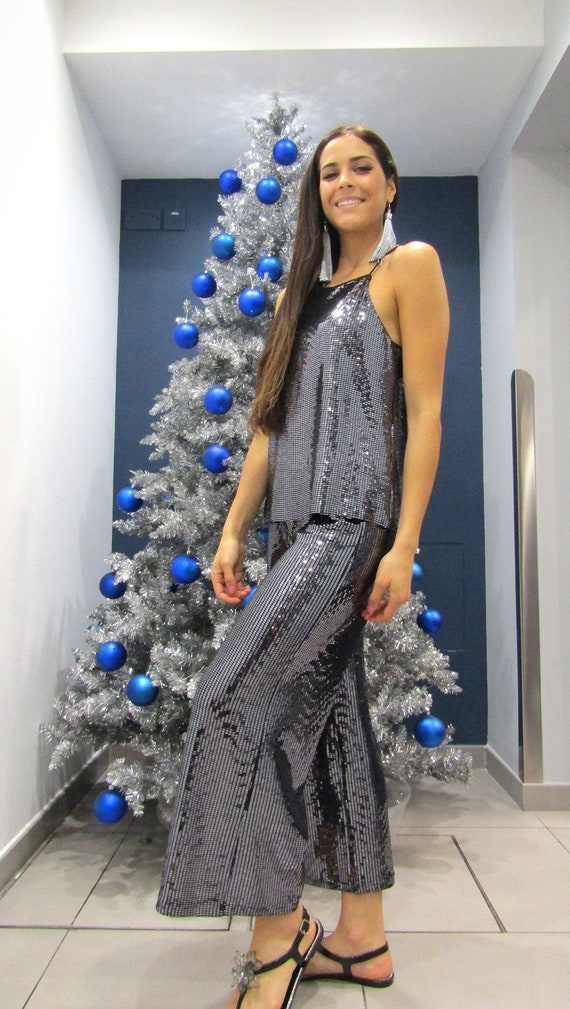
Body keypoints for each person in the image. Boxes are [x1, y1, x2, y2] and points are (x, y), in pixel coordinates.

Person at [157, 125, 449, 1009]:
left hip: (351, 523)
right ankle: (363, 940)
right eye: (329, 172)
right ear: (315, 192)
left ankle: (277, 935)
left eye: (362, 167)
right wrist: (232, 532)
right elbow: (267, 427)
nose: (344, 181)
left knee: (231, 697)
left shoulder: (408, 268)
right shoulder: (301, 296)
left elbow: (426, 412)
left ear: (391, 184)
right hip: (290, 529)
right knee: (336, 728)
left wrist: (403, 543)